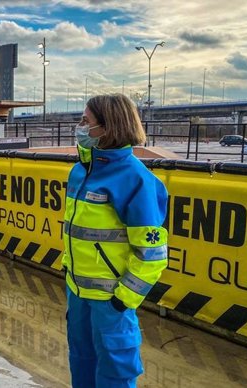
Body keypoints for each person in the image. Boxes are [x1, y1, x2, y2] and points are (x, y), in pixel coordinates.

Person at [62, 94, 168, 388]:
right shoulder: (81, 171)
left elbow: (153, 254)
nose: (80, 127)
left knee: (115, 373)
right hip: (78, 293)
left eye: (86, 121)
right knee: (81, 363)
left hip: (111, 301)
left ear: (108, 128)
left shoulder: (136, 180)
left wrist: (123, 300)